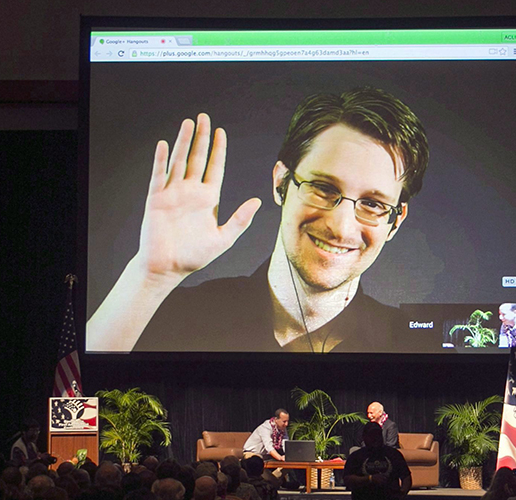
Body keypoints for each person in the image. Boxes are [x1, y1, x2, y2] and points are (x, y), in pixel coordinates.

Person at [87, 87, 429, 353]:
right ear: (281, 183)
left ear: (395, 221)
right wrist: (149, 277)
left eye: (372, 203)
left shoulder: (413, 341)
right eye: (323, 188)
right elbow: (74, 395)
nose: (340, 226)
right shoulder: (175, 312)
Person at [344, 422, 411, 500]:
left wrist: (402, 493)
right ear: (364, 437)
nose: (375, 438)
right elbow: (347, 479)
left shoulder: (393, 454)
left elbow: (406, 477)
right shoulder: (356, 456)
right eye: (371, 435)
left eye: (378, 434)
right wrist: (370, 479)